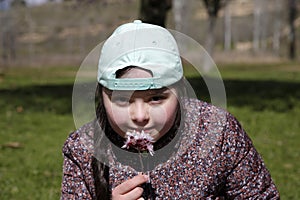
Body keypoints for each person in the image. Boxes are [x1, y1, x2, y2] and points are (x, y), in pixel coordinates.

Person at [61, 20, 279, 199]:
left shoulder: (218, 132)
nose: (139, 116)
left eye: (156, 98)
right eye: (122, 100)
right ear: (102, 96)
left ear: (180, 92)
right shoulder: (82, 149)